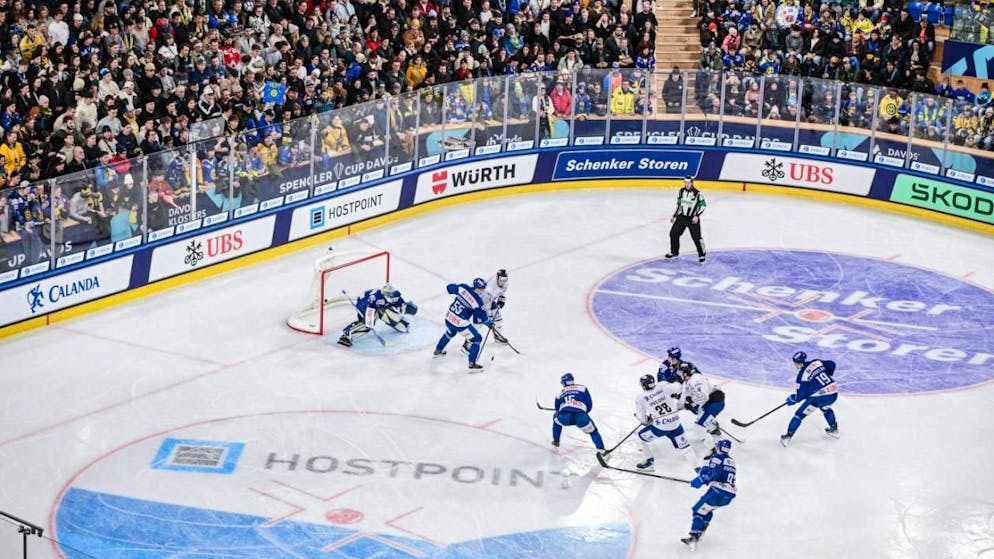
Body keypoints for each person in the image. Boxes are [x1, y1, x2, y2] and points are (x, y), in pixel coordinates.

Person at [682, 438, 736, 550]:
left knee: (697, 511)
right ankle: (702, 529)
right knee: (707, 509)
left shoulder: (717, 457)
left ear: (720, 448)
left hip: (717, 492)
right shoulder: (731, 461)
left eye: (717, 446)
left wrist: (700, 480)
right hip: (728, 495)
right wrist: (704, 470)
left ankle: (694, 537)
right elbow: (722, 473)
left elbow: (714, 474)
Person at [634, 374, 692, 472]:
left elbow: (643, 419)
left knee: (640, 438)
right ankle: (696, 466)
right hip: (675, 422)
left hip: (661, 427)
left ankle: (649, 462)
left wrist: (647, 419)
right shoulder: (663, 385)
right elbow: (678, 387)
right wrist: (677, 380)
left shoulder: (640, 397)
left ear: (644, 386)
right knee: (683, 446)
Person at [780, 351, 840, 446]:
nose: (794, 365)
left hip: (818, 397)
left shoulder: (802, 375)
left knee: (799, 415)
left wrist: (793, 399)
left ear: (799, 363)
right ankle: (834, 429)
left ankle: (787, 437)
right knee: (826, 408)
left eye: (795, 363)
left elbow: (802, 395)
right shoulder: (816, 362)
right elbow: (831, 364)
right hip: (833, 393)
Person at [434, 278, 493, 372]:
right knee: (477, 339)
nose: (482, 291)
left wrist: (458, 288)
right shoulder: (477, 301)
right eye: (481, 289)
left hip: (449, 318)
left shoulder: (463, 287)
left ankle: (438, 351)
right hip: (460, 323)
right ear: (476, 287)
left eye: (483, 288)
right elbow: (480, 316)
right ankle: (472, 364)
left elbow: (449, 288)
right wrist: (489, 322)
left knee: (450, 333)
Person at [337, 284, 417, 347]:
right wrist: (369, 322)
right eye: (389, 294)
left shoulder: (394, 295)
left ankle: (398, 322)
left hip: (378, 307)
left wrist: (405, 307)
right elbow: (369, 309)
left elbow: (399, 303)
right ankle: (347, 334)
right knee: (367, 326)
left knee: (400, 325)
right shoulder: (374, 298)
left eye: (391, 294)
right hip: (363, 305)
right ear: (384, 293)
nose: (391, 296)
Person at [679, 361, 726, 454]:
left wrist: (691, 400)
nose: (679, 374)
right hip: (707, 403)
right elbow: (683, 400)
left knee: (698, 427)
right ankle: (713, 428)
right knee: (697, 412)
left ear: (685, 373)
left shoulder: (697, 379)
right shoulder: (686, 382)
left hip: (715, 403)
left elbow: (704, 396)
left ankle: (714, 450)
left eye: (680, 372)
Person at [552, 372, 606, 451]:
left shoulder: (559, 393)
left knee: (556, 420)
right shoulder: (582, 388)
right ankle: (601, 450)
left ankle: (556, 441)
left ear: (563, 382)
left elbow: (557, 409)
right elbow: (589, 404)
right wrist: (584, 411)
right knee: (593, 432)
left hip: (564, 417)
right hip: (580, 416)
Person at [462, 269, 509, 353]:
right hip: (480, 303)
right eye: (501, 280)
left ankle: (497, 336)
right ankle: (467, 343)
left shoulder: (505, 283)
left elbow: (502, 292)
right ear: (497, 278)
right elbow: (485, 305)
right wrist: (488, 316)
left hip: (490, 301)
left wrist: (501, 299)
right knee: (478, 324)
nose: (503, 282)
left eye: (505, 280)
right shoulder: (490, 288)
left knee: (498, 319)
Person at [666, 175, 707, 263]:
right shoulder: (681, 191)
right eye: (686, 182)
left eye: (689, 183)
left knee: (696, 237)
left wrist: (697, 215)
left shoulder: (697, 193)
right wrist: (674, 215)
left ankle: (702, 254)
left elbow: (703, 205)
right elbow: (679, 205)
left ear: (692, 183)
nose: (687, 184)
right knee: (673, 233)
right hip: (682, 217)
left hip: (692, 218)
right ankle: (674, 252)